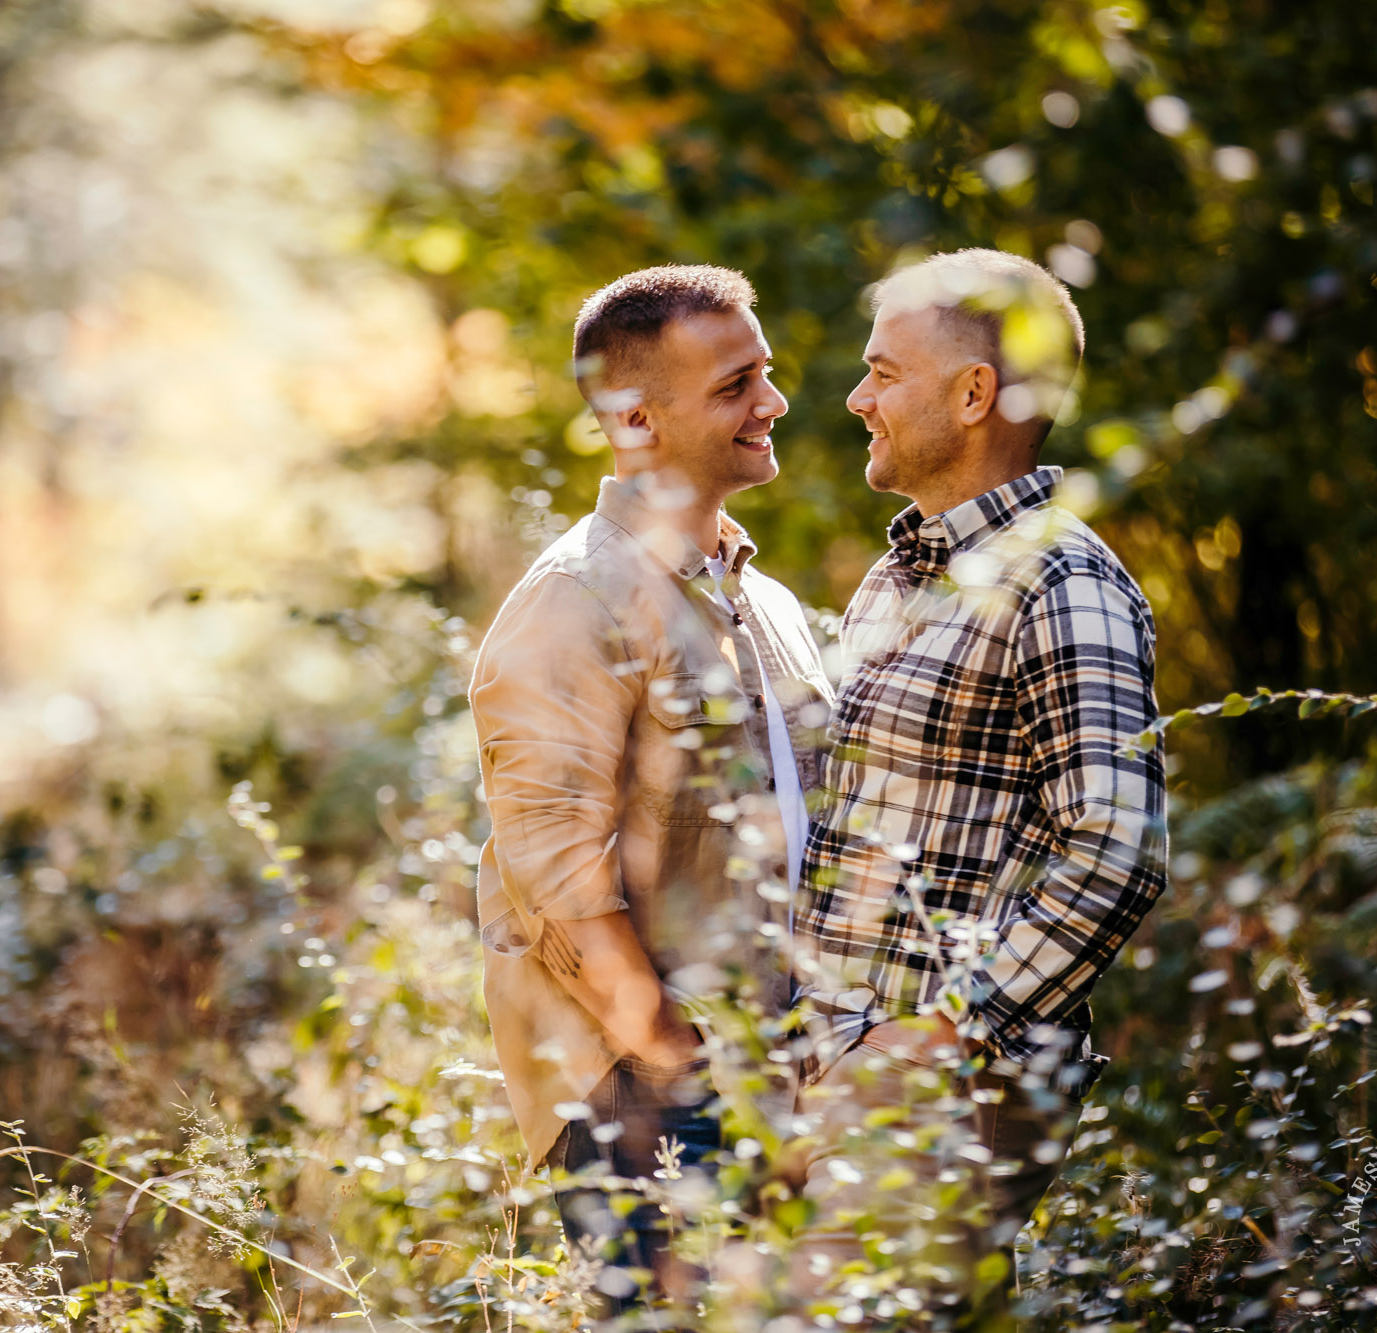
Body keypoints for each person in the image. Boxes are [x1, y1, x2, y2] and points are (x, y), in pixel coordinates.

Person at [790, 249, 1169, 1323]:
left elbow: (1115, 850)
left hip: (940, 1080)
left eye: (881, 372)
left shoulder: (1063, 582)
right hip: (847, 1065)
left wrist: (940, 1032)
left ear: (971, 395)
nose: (857, 398)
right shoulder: (900, 574)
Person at [469, 264, 831, 1315]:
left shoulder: (763, 599)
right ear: (632, 417)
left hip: (778, 1080)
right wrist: (693, 1078)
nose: (771, 403)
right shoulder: (572, 606)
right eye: (734, 385)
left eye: (763, 373)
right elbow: (560, 890)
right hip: (646, 1099)